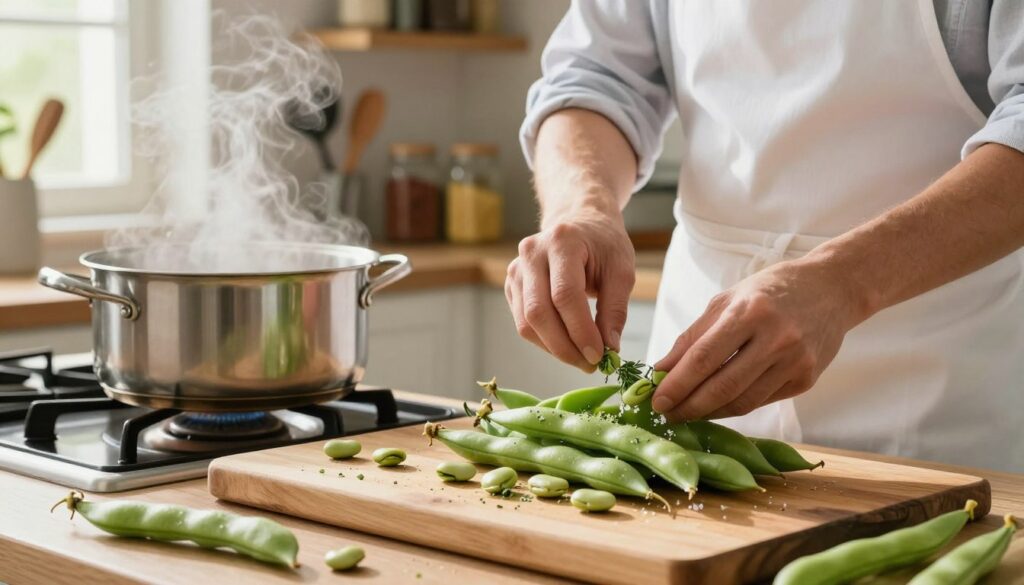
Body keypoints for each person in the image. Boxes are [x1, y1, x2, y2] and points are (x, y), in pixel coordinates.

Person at [508, 1, 1024, 471]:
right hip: (692, 402)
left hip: (938, 406)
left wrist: (844, 281)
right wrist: (583, 206)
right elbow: (595, 76)